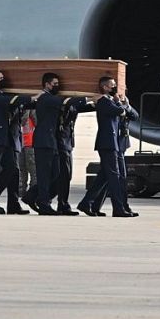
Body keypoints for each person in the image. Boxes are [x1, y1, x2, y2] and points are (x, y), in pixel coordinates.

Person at [28, 72, 87, 215]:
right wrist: (86, 96)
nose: (57, 86)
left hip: (51, 142)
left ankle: (37, 199)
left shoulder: (52, 98)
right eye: (54, 83)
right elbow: (66, 102)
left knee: (56, 174)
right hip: (44, 141)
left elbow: (73, 105)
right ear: (47, 84)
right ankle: (43, 204)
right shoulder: (45, 98)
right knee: (45, 175)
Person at [0, 70, 33, 214]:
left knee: (12, 169)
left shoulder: (4, 95)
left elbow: (20, 104)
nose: (5, 80)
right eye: (1, 78)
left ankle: (7, 202)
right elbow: (14, 101)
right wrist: (33, 95)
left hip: (7, 139)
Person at [83, 88, 138, 217]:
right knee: (115, 178)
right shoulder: (107, 103)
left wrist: (126, 105)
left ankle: (90, 204)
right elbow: (119, 111)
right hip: (111, 145)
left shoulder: (121, 104)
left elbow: (135, 116)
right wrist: (119, 104)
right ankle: (117, 208)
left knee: (110, 178)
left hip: (120, 145)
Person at [49, 77, 99, 215]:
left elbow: (80, 107)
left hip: (67, 143)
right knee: (62, 175)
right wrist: (89, 97)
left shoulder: (71, 104)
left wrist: (97, 102)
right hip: (59, 143)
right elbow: (70, 102)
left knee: (65, 176)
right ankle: (58, 203)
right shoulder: (59, 101)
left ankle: (56, 202)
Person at [18, 109, 37, 203]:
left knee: (31, 170)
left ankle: (31, 191)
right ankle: (23, 190)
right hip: (24, 142)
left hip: (29, 142)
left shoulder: (31, 110)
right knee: (23, 169)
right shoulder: (26, 109)